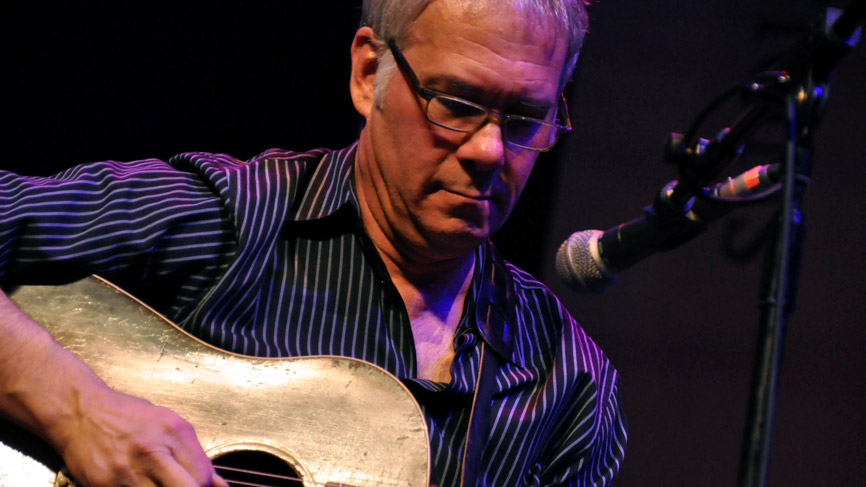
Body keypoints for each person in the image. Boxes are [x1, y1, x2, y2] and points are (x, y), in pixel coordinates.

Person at [0, 0, 627, 486]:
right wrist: (77, 410)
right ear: (367, 72)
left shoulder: (566, 383)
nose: (491, 151)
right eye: (456, 104)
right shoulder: (234, 217)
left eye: (524, 119)